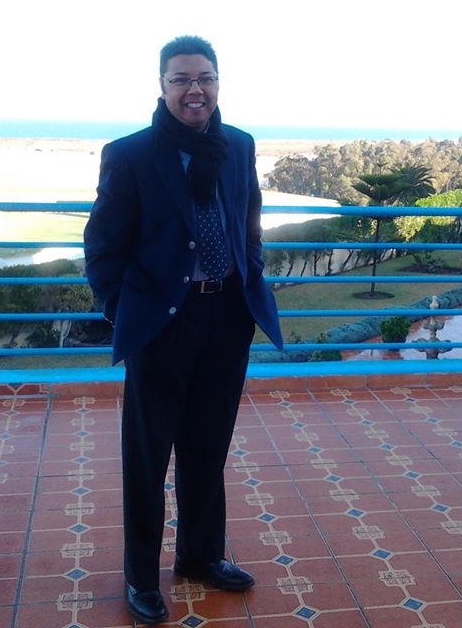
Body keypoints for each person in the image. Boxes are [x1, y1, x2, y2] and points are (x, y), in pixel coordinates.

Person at [83, 35, 283, 625]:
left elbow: (249, 220)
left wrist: (250, 270)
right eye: (182, 79)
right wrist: (123, 311)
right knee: (148, 458)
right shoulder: (131, 154)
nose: (195, 90)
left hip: (227, 317)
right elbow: (103, 245)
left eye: (205, 78)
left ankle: (200, 555)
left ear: (217, 82)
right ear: (163, 86)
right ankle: (141, 578)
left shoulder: (238, 145)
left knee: (207, 447)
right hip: (161, 326)